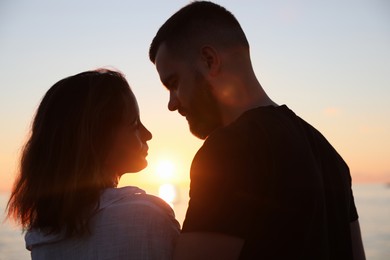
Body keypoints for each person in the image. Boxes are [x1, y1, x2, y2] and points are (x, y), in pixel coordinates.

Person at [149, 1, 365, 259]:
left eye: (173, 83)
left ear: (209, 60)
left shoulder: (228, 151)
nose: (172, 104)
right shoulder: (329, 155)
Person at [6, 69, 180, 259]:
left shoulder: (43, 236)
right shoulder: (146, 216)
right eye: (134, 124)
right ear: (96, 138)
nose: (148, 134)